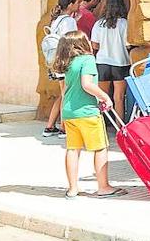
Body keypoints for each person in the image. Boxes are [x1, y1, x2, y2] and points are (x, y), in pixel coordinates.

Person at [51, 30, 124, 199]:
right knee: (100, 148)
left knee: (72, 149)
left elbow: (68, 89)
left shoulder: (68, 63)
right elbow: (87, 84)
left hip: (69, 112)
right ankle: (103, 187)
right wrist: (104, 96)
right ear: (83, 44)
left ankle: (72, 188)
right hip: (87, 112)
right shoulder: (88, 60)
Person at [42, 0, 80, 137]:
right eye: (76, 2)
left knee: (63, 93)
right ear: (70, 4)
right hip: (67, 60)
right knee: (67, 94)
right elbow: (71, 41)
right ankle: (64, 128)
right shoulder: (69, 21)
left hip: (56, 60)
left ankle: (50, 126)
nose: (78, 5)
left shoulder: (56, 19)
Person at [91, 0, 131, 121]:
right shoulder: (125, 23)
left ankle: (100, 125)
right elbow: (128, 44)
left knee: (102, 97)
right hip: (121, 62)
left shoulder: (99, 24)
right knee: (118, 98)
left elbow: (95, 45)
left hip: (102, 62)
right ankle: (120, 127)